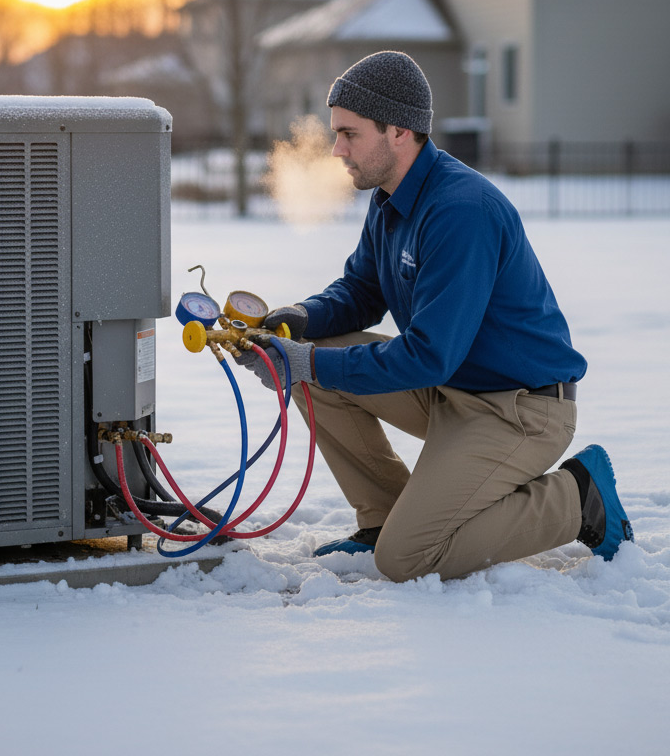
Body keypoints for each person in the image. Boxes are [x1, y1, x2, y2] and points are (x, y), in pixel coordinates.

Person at [237, 50, 633, 582]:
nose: (337, 149)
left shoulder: (460, 210)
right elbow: (360, 290)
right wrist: (301, 320)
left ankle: (578, 498)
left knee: (408, 560)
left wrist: (302, 363)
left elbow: (428, 355)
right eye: (336, 133)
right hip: (455, 390)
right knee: (322, 366)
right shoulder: (390, 198)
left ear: (398, 131)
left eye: (349, 134)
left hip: (518, 410)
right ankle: (385, 520)